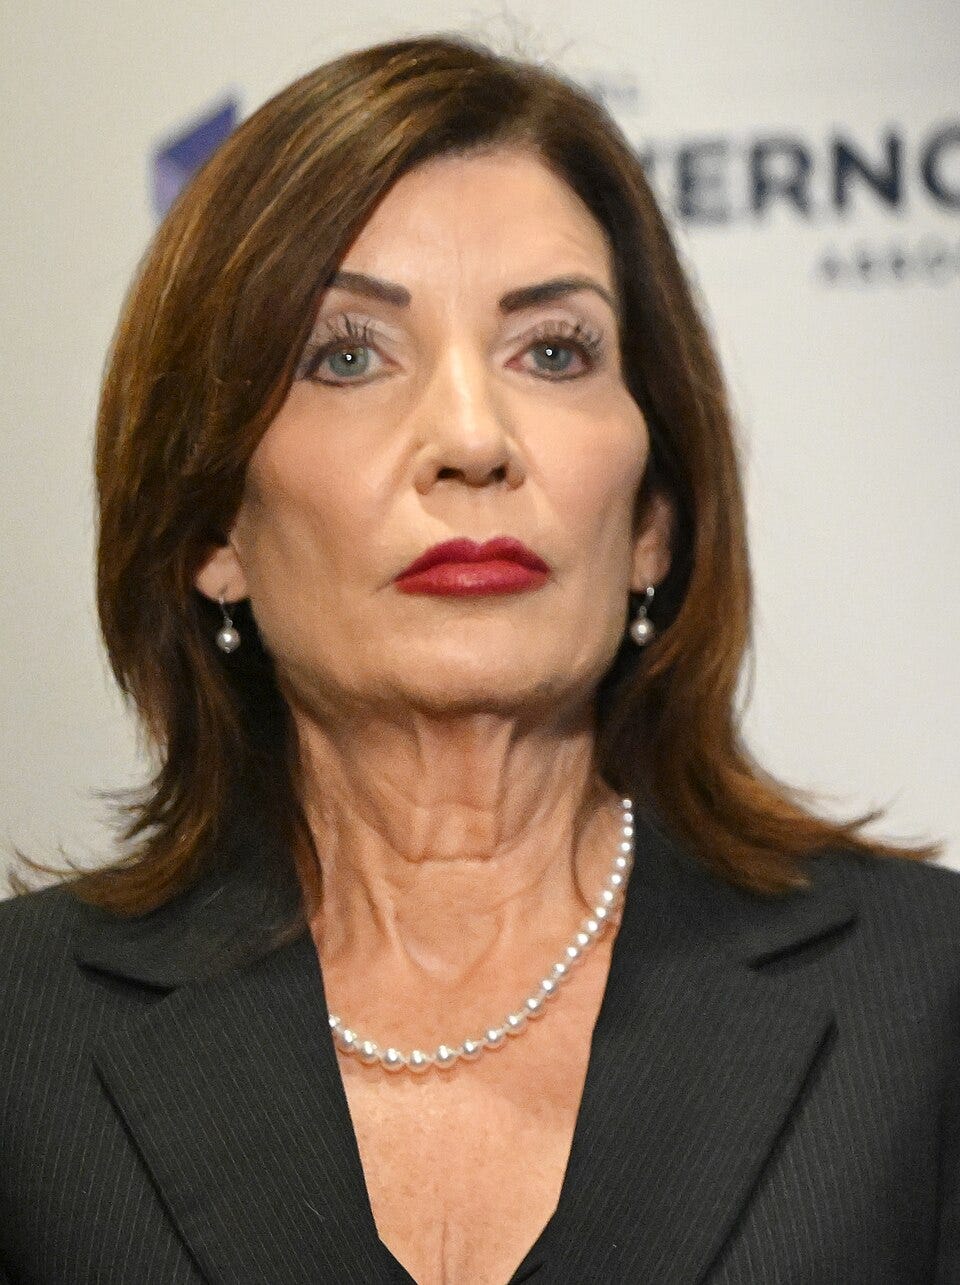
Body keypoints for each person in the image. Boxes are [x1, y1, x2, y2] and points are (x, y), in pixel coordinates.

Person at [1, 32, 957, 1285]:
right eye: (348, 355)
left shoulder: (927, 997)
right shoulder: (22, 1033)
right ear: (212, 531)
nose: (470, 437)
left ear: (654, 519)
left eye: (553, 352)